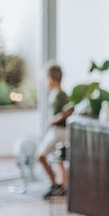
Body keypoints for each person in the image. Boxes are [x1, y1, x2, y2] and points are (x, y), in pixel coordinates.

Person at [36, 62, 74, 198]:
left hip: (59, 131)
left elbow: (70, 109)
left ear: (51, 79)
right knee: (59, 159)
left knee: (40, 156)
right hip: (58, 131)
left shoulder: (60, 94)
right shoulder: (56, 94)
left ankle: (55, 184)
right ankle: (62, 186)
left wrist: (56, 119)